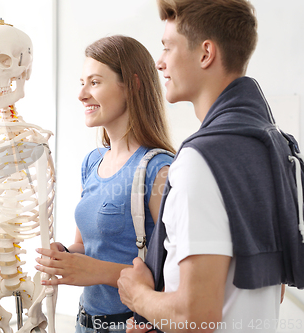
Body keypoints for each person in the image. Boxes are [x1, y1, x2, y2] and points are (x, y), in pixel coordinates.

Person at [117, 1, 294, 332]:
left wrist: (138, 295)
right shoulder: (272, 147)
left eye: (168, 47)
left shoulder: (200, 161)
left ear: (205, 54)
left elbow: (196, 317)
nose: (160, 62)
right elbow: (269, 287)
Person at [35, 35, 175, 333]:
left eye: (95, 82)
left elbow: (171, 276)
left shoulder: (158, 170)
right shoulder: (92, 162)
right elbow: (86, 245)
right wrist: (66, 256)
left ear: (133, 85)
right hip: (85, 322)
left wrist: (96, 271)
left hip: (130, 326)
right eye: (81, 82)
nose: (81, 94)